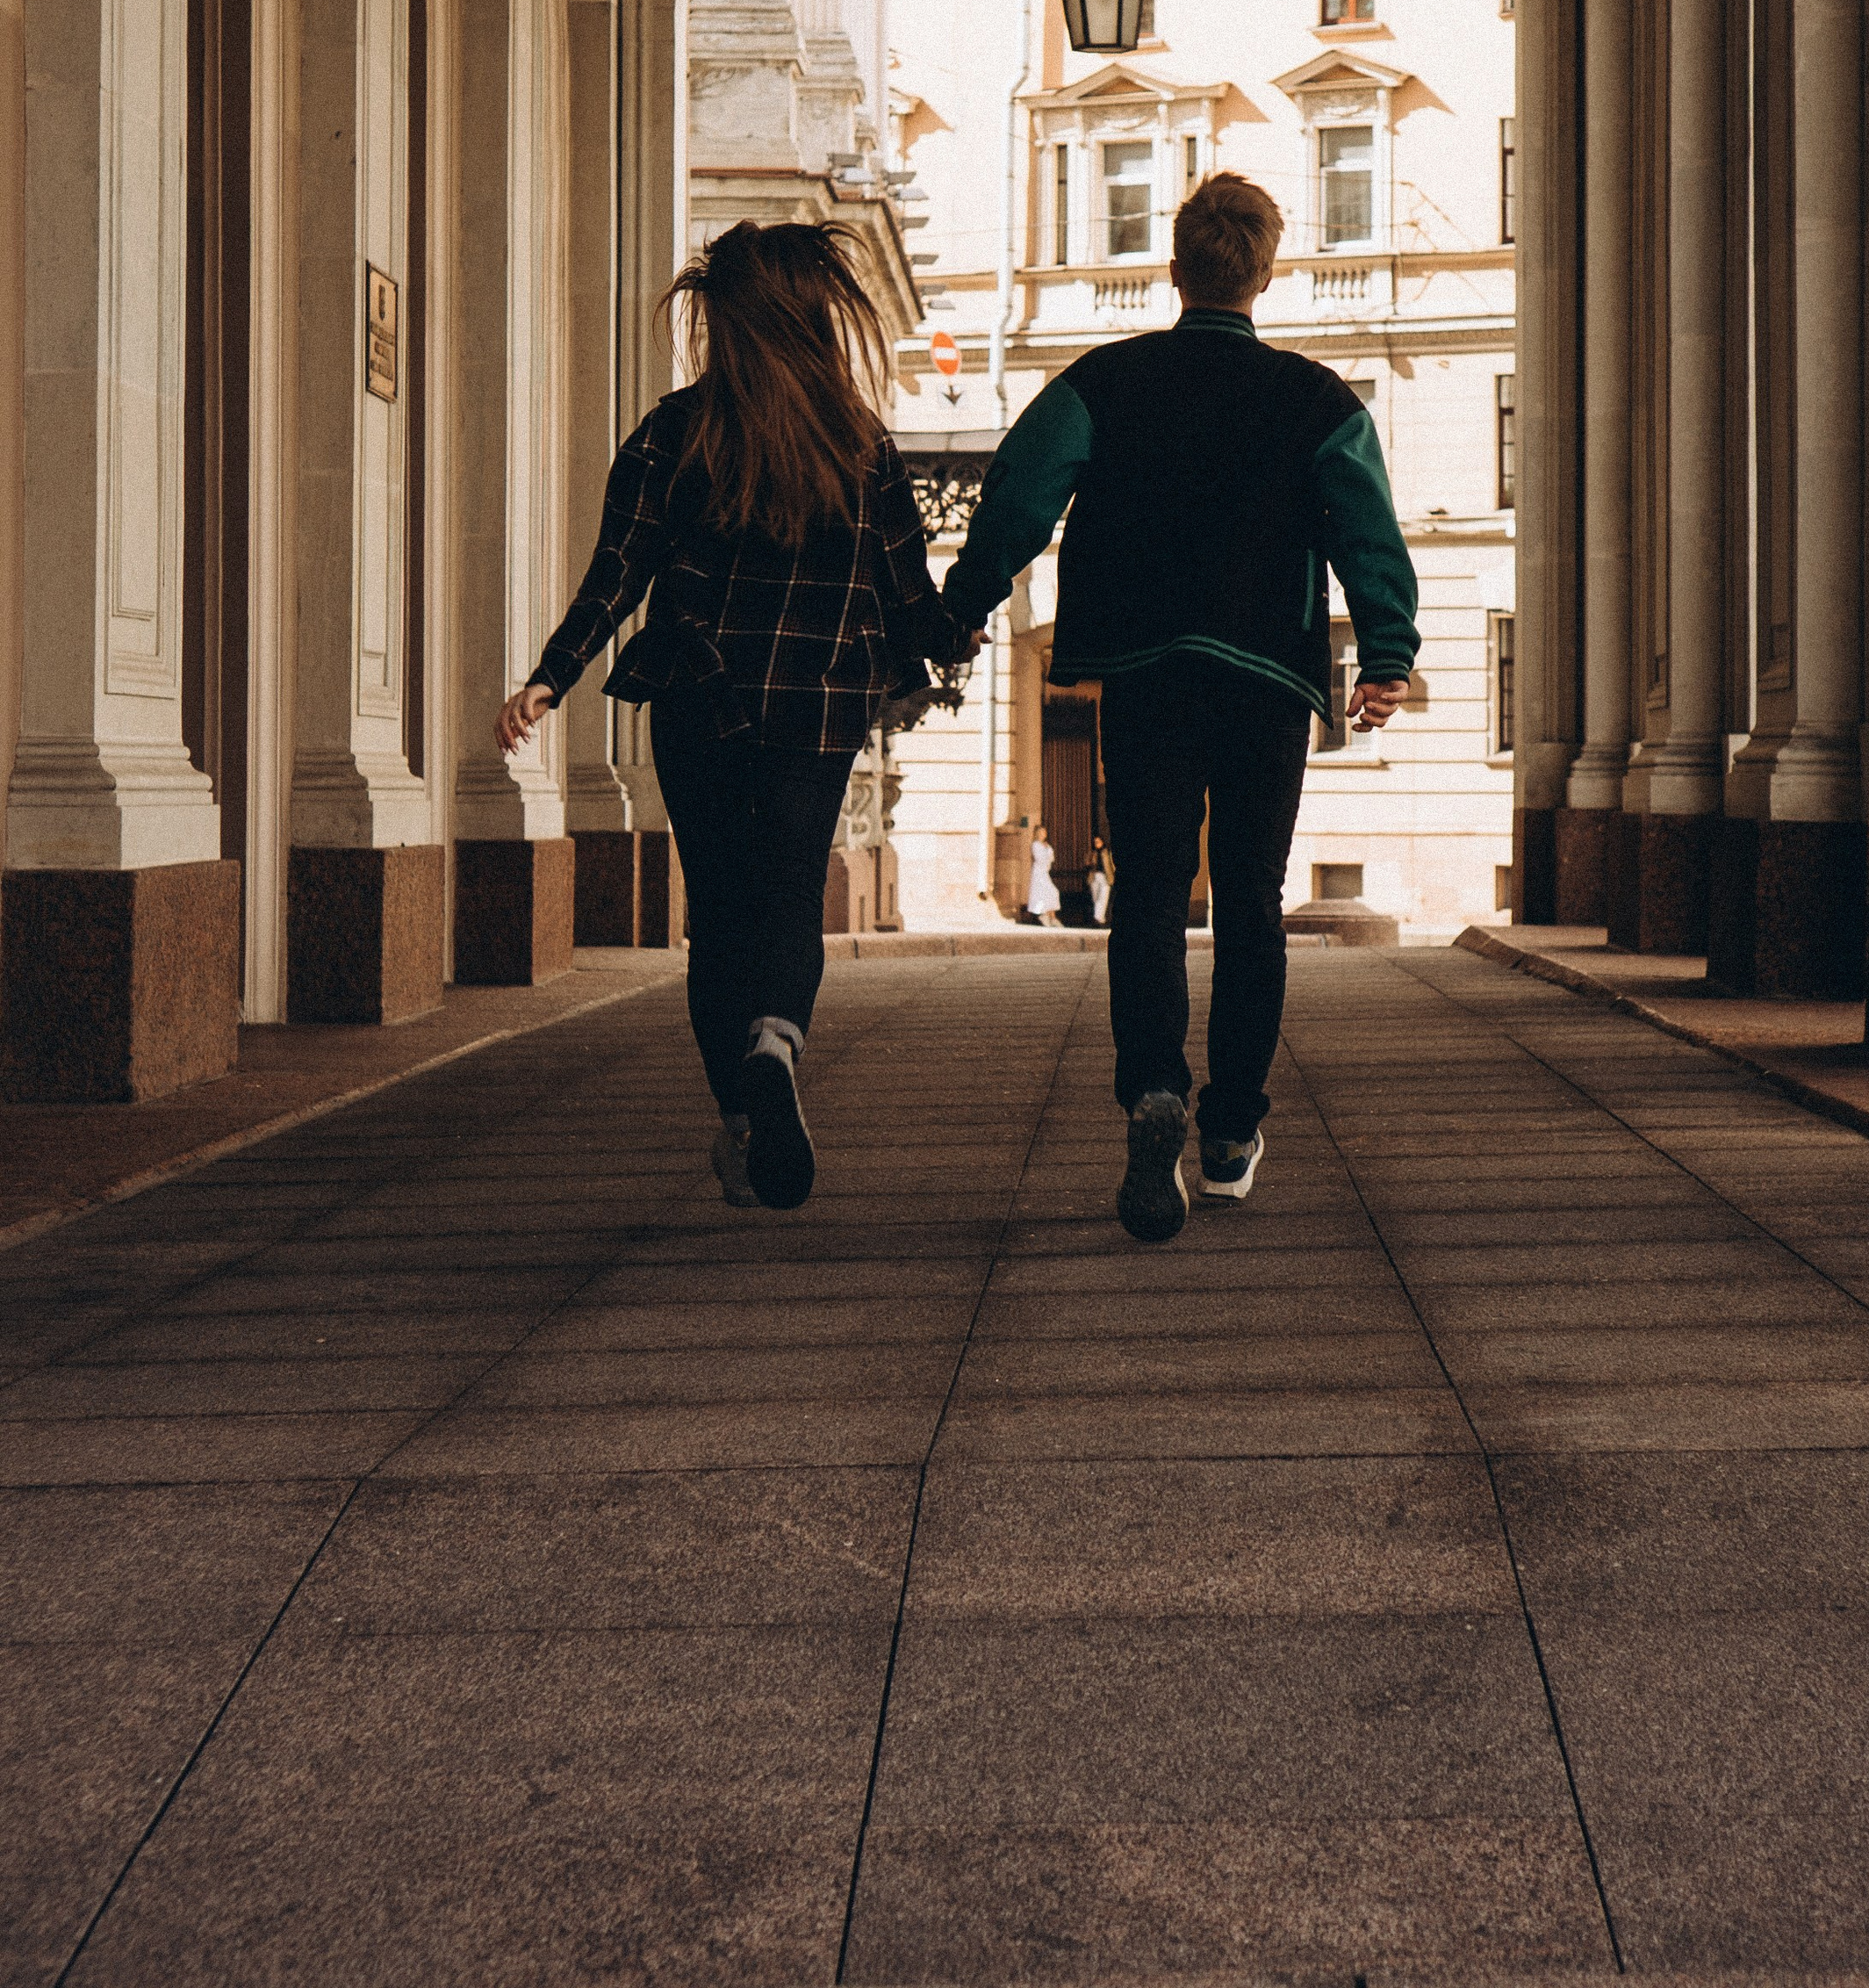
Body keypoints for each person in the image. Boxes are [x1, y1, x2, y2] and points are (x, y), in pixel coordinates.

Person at [939, 171, 1418, 1243]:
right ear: (1268, 269)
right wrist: (1383, 653)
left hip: (1146, 670)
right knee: (1250, 899)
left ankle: (1154, 1087)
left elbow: (1018, 496)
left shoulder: (1100, 382)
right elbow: (1366, 534)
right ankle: (1232, 1130)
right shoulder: (1317, 401)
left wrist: (963, 607)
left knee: (1150, 892)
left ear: (1173, 266)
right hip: (1267, 678)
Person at [494, 220, 972, 1213]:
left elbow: (615, 573)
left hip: (700, 698)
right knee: (791, 897)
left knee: (717, 917)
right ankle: (775, 1046)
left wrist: (551, 676)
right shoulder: (865, 446)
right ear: (813, 318)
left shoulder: (674, 431)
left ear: (727, 324)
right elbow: (904, 596)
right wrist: (960, 623)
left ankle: (744, 1119)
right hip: (819, 702)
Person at [1027, 830, 1062, 926]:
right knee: (1048, 892)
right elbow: (1040, 859)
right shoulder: (1035, 845)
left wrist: (1047, 849)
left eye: (1045, 832)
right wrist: (1046, 850)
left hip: (1044, 872)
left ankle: (1052, 917)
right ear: (1037, 833)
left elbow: (1051, 859)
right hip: (1038, 873)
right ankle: (1047, 916)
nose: (1044, 834)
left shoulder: (1045, 845)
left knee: (1052, 892)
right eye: (1042, 832)